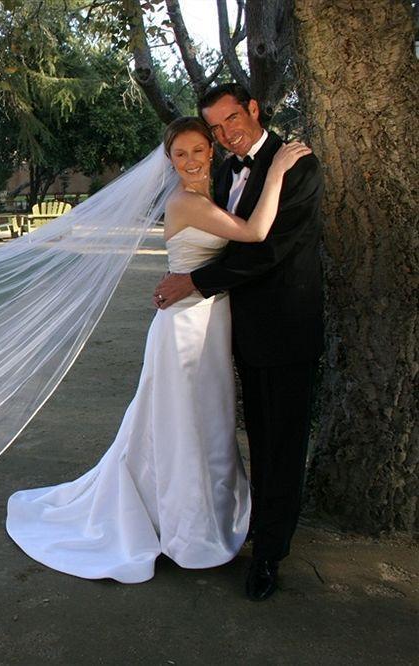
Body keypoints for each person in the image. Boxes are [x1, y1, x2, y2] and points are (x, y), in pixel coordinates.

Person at [6, 116, 311, 586]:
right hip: (186, 328)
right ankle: (185, 526)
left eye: (197, 150)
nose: (190, 161)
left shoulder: (213, 192)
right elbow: (253, 234)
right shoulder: (187, 202)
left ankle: (205, 514)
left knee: (205, 421)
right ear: (169, 162)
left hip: (208, 324)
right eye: (179, 154)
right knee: (185, 423)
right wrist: (276, 173)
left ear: (212, 152)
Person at [154, 83, 324, 601]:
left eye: (233, 120)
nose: (228, 133)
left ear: (253, 109)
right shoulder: (222, 171)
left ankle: (271, 552)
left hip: (284, 328)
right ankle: (242, 519)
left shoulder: (295, 165)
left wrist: (194, 282)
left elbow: (268, 249)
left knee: (280, 441)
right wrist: (186, 274)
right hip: (231, 329)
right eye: (217, 128)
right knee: (236, 432)